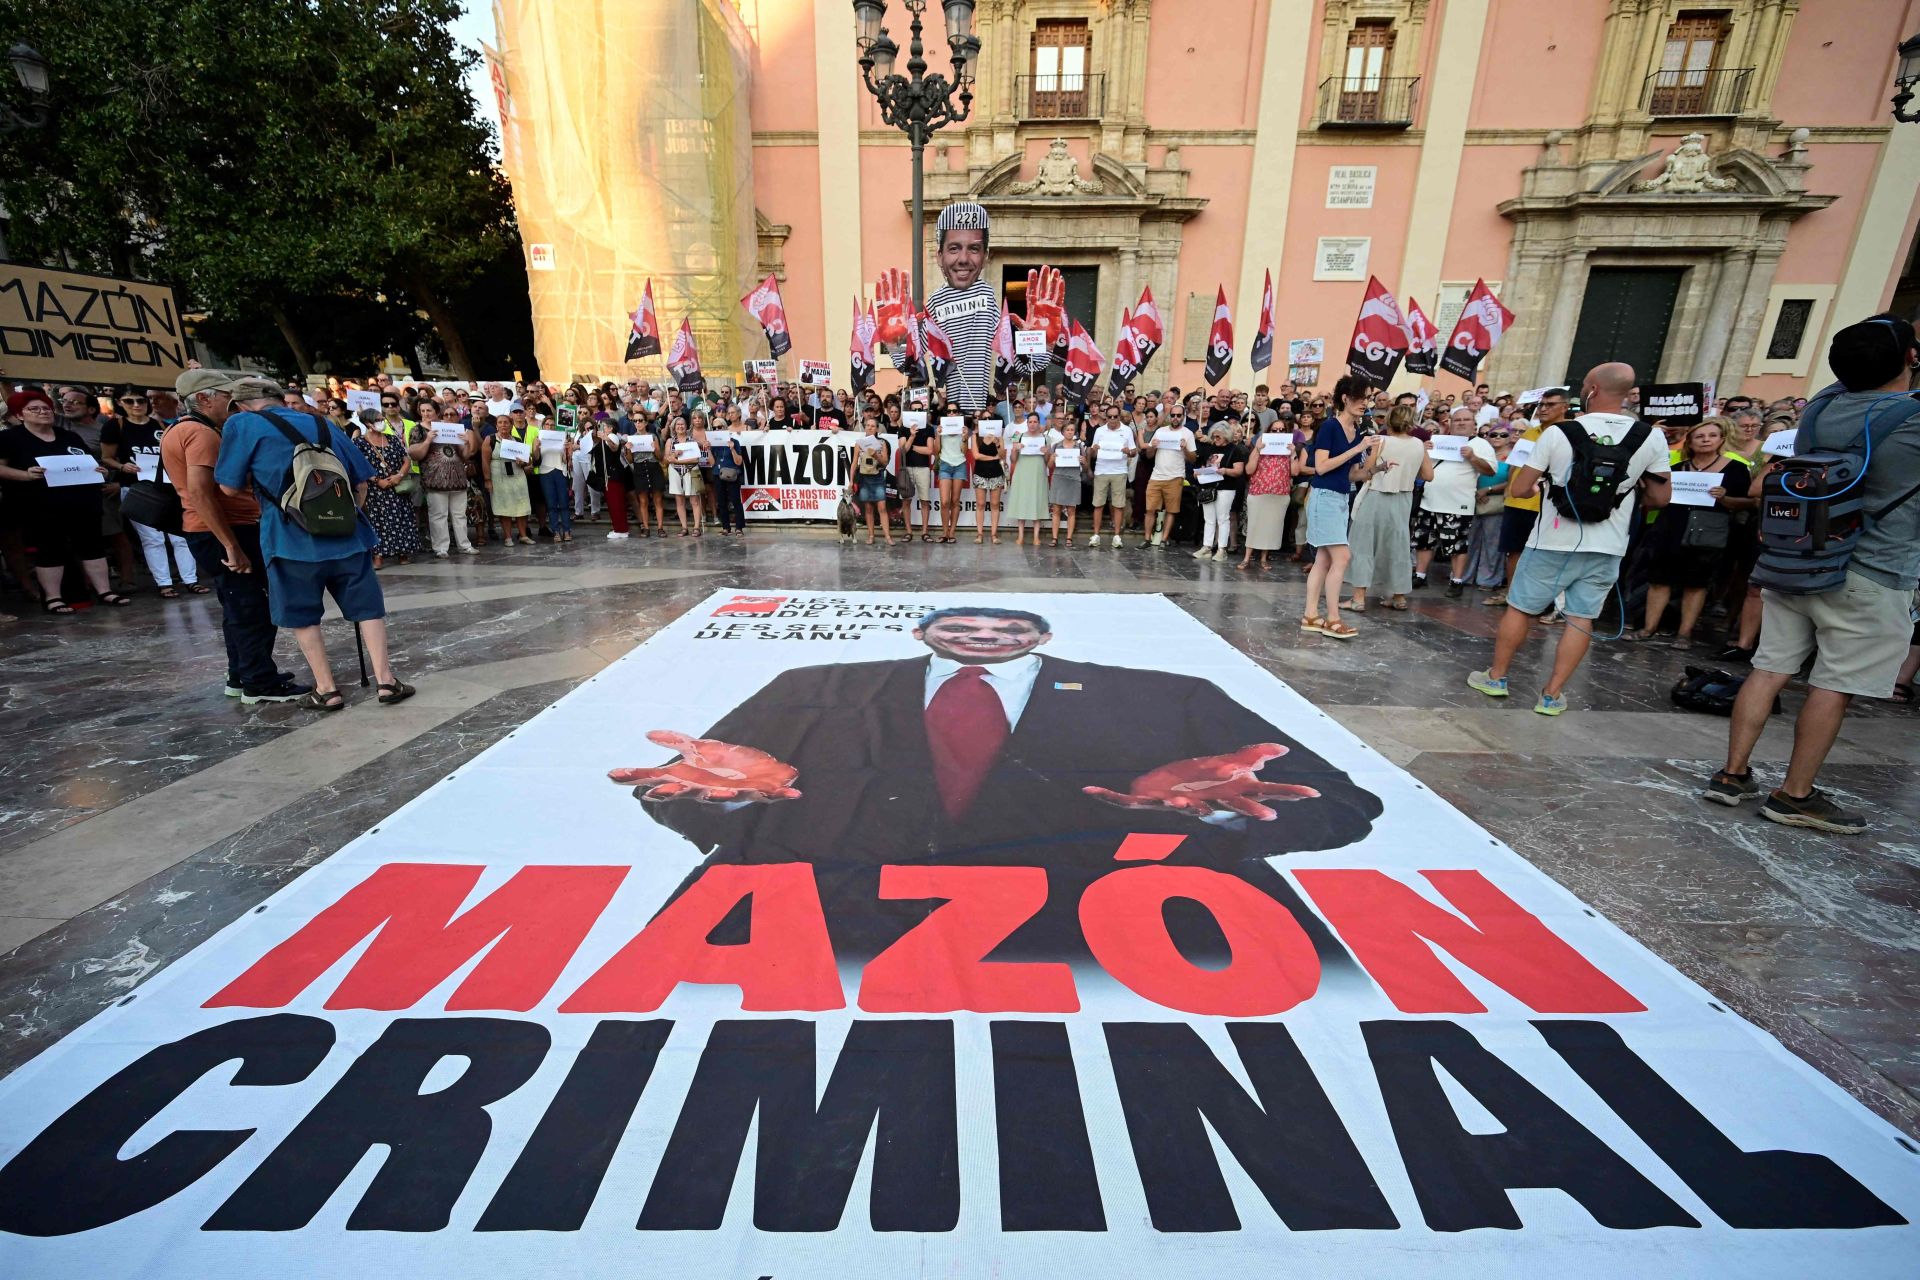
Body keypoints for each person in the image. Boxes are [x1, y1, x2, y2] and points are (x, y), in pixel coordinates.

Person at [611, 605, 1381, 962]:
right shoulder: (814, 681)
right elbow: (699, 784)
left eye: (1009, 628)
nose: (986, 637)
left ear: (1044, 637)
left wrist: (1212, 822)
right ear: (920, 632)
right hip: (818, 928)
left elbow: (1344, 804)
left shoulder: (1168, 693)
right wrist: (726, 805)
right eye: (964, 626)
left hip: (1141, 943)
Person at [1708, 315, 1920, 833]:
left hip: (1797, 558)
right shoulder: (1912, 420)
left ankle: (1732, 775)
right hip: (1872, 568)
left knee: (1770, 665)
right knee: (1834, 683)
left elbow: (1848, 375)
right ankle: (1795, 794)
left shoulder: (1822, 407)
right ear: (1910, 359)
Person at [1468, 362, 1671, 715]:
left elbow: (1519, 487)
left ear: (1591, 389)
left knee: (1521, 608)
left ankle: (1497, 677)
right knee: (1581, 617)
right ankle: (1551, 694)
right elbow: (1660, 498)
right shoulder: (1650, 436)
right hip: (1608, 543)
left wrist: (1541, 483)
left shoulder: (1559, 432)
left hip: (1552, 538)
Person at [212, 376, 413, 711]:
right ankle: (386, 681)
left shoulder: (242, 424)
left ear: (240, 404)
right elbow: (361, 480)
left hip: (289, 538)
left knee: (303, 614)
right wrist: (339, 516)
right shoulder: (321, 422)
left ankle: (326, 689)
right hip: (347, 536)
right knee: (368, 609)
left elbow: (229, 487)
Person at [880, 203, 1052, 417]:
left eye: (973, 248)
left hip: (979, 412)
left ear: (985, 255)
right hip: (948, 413)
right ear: (939, 255)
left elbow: (1023, 364)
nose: (963, 259)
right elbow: (911, 365)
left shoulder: (988, 297)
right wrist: (896, 345)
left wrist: (1040, 344)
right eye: (954, 248)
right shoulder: (934, 302)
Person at [0, 388, 125, 615]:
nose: (42, 412)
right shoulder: (10, 438)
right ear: (20, 415)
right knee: (49, 549)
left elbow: (87, 462)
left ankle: (105, 590)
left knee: (92, 547)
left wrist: (99, 471)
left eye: (46, 408)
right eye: (34, 409)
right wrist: (25, 475)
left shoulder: (69, 436)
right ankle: (53, 597)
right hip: (41, 505)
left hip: (82, 502)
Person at [1634, 419, 1752, 644]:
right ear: (1690, 441)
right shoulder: (1676, 468)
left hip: (1707, 532)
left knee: (1696, 584)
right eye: (1700, 436)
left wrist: (1725, 498)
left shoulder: (1736, 469)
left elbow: (1750, 502)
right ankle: (1648, 629)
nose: (1706, 439)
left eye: (1712, 435)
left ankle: (1684, 634)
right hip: (1670, 528)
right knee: (1659, 580)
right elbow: (1658, 499)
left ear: (1721, 440)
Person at [103, 388, 205, 598]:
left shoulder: (159, 425)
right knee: (152, 538)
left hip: (169, 484)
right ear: (120, 403)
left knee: (180, 535)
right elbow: (107, 457)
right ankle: (164, 583)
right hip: (137, 488)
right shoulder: (115, 426)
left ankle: (191, 579)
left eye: (140, 400)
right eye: (129, 401)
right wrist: (122, 467)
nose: (136, 405)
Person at [1302, 375, 1373, 639]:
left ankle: (1311, 614)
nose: (1365, 403)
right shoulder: (1330, 427)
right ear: (1346, 398)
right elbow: (1321, 467)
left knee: (1324, 558)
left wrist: (1375, 468)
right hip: (1324, 497)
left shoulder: (1357, 433)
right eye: (1361, 397)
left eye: (1368, 398)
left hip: (1341, 497)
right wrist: (1357, 450)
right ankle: (1332, 618)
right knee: (1342, 557)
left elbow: (1352, 474)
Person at [1344, 403, 1431, 612]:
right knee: (1398, 545)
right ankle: (1399, 596)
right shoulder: (1419, 444)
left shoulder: (1381, 441)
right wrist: (1408, 472)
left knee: (1363, 544)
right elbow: (1428, 475)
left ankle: (1358, 598)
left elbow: (1367, 471)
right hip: (1403, 498)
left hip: (1376, 495)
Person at [1489, 388, 1569, 608]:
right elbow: (1517, 463)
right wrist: (1509, 488)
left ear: (1565, 407)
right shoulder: (1531, 432)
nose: (1543, 409)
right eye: (1541, 405)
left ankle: (1541, 601)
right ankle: (1511, 594)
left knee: (1543, 554)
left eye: (1550, 405)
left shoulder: (1568, 433)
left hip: (1545, 504)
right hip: (1517, 501)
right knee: (1513, 550)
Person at [1415, 407, 1498, 597]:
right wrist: (1424, 451)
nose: (1461, 423)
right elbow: (1421, 468)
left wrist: (1472, 457)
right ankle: (1420, 575)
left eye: (1465, 420)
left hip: (1458, 504)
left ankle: (1457, 580)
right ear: (1450, 423)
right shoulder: (1439, 441)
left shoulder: (1481, 444)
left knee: (1457, 545)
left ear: (1474, 425)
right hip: (1429, 501)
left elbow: (1490, 471)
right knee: (1424, 541)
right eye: (1457, 420)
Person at [355, 410, 421, 567]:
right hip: (375, 490)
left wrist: (399, 476)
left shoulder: (392, 439)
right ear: (368, 424)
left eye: (381, 418)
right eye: (377, 420)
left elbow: (406, 460)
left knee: (402, 517)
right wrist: (377, 480)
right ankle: (378, 555)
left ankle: (403, 553)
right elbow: (360, 465)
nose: (382, 421)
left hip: (397, 486)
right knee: (379, 520)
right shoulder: (360, 442)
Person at [416, 401, 477, 558]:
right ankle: (441, 548)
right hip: (435, 479)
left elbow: (464, 456)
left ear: (437, 412)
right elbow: (414, 454)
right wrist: (428, 440)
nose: (426, 413)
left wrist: (466, 442)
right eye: (423, 410)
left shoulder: (450, 428)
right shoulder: (418, 429)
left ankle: (464, 545)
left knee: (459, 515)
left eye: (429, 410)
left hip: (457, 478)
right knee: (438, 515)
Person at [1238, 413, 1295, 571]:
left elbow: (1295, 472)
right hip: (1258, 491)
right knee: (1254, 524)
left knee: (1272, 527)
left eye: (1281, 430)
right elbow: (1249, 469)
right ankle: (1247, 558)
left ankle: (1264, 558)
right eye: (1274, 430)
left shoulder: (1288, 451)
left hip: (1280, 493)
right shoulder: (1260, 447)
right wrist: (1257, 450)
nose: (1278, 433)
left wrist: (1293, 454)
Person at [1192, 423, 1247, 561]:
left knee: (1223, 518)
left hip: (1226, 488)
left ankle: (1222, 548)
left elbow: (1239, 470)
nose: (1215, 439)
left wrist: (1226, 471)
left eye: (1218, 436)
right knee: (1209, 519)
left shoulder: (1235, 450)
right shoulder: (1209, 449)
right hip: (1208, 487)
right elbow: (1201, 466)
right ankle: (1207, 547)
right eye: (1214, 436)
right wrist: (1199, 473)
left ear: (1226, 436)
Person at [1141, 411, 1196, 547]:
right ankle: (1147, 539)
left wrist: (1184, 449)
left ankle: (1164, 540)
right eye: (1173, 415)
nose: (1175, 418)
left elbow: (1193, 458)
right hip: (1156, 476)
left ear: (1183, 416)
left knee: (1172, 510)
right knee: (1150, 509)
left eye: (1178, 415)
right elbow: (1149, 455)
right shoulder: (1160, 431)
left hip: (1175, 476)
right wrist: (1152, 447)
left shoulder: (1187, 433)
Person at [482, 410, 534, 546]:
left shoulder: (516, 440)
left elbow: (527, 459)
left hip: (517, 476)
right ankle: (508, 537)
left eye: (506, 422)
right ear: (496, 425)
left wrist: (523, 462)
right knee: (504, 506)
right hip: (499, 477)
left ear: (511, 425)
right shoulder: (490, 439)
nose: (503, 425)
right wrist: (487, 480)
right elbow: (485, 461)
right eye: (500, 422)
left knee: (521, 504)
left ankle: (523, 535)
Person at [1086, 402, 1135, 548]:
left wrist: (1129, 452)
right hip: (1101, 470)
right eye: (1109, 417)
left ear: (1119, 416)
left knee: (1118, 505)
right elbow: (1093, 453)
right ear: (1105, 417)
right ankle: (1096, 535)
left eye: (1115, 416)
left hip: (1119, 471)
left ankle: (1117, 536)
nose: (1112, 419)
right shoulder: (1099, 431)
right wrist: (1093, 450)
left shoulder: (1127, 431)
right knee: (1098, 504)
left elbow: (1134, 451)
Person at [1006, 412, 1052, 545]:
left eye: (1035, 422)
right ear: (1027, 423)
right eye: (1030, 422)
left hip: (1038, 473)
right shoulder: (1018, 436)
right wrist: (1015, 449)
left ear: (1039, 423)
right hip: (1022, 473)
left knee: (1037, 501)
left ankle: (1036, 536)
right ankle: (1020, 535)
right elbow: (1013, 460)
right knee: (1022, 501)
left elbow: (1047, 461)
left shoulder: (1045, 438)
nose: (1032, 424)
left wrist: (1046, 453)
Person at [850, 413, 895, 546]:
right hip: (864, 477)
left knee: (882, 507)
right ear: (865, 427)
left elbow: (885, 462)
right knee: (868, 508)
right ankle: (871, 535)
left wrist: (875, 454)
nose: (870, 428)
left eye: (873, 426)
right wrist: (851, 480)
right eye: (868, 425)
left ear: (877, 429)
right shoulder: (859, 443)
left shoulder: (882, 443)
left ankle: (887, 536)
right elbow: (854, 463)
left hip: (878, 476)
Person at [665, 416, 710, 536]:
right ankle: (684, 527)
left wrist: (677, 460)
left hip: (691, 470)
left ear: (686, 426)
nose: (680, 426)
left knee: (694, 500)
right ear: (674, 427)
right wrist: (675, 454)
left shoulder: (692, 440)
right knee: (679, 500)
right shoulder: (670, 441)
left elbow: (695, 459)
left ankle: (696, 527)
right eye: (677, 424)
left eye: (682, 424)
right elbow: (667, 458)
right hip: (675, 471)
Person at [706, 415, 747, 536]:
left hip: (732, 474)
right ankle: (726, 527)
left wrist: (733, 449)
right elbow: (712, 463)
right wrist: (708, 450)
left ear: (725, 428)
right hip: (718, 474)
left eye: (720, 427)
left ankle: (739, 527)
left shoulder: (735, 442)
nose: (718, 430)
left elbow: (739, 462)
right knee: (721, 501)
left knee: (735, 500)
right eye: (715, 428)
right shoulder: (713, 444)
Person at [933, 411, 969, 544]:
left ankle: (952, 532)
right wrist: (938, 434)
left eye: (954, 411)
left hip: (959, 464)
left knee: (955, 500)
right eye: (949, 412)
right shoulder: (941, 429)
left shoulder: (963, 430)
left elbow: (965, 452)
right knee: (944, 501)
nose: (952, 414)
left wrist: (965, 438)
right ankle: (944, 532)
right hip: (945, 464)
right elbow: (936, 451)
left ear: (959, 414)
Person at [969, 415, 1005, 543]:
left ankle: (994, 534)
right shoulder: (975, 436)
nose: (987, 421)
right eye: (984, 419)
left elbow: (1002, 455)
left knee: (995, 504)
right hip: (980, 473)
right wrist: (994, 458)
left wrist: (997, 443)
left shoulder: (998, 435)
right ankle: (979, 534)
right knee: (980, 504)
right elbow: (976, 455)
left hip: (996, 473)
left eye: (990, 418)